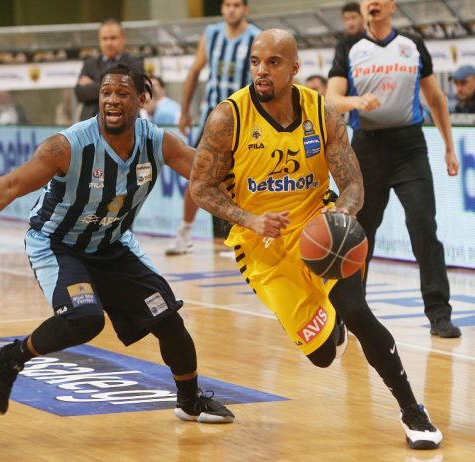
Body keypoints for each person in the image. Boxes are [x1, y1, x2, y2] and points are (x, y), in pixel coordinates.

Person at [189, 28, 443, 449]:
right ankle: (331, 327)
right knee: (323, 356)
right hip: (263, 247)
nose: (262, 70)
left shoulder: (321, 111)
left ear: (294, 67)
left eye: (273, 62)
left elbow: (353, 184)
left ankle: (412, 409)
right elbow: (200, 187)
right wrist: (249, 218)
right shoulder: (227, 117)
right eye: (255, 62)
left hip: (319, 230)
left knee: (358, 310)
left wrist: (341, 210)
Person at [0, 65, 234, 424]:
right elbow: (11, 184)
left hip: (112, 243)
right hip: (58, 243)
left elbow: (206, 174)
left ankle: (190, 401)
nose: (112, 100)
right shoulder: (68, 146)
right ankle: (10, 358)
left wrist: (256, 201)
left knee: (168, 319)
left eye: (122, 94)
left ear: (141, 100)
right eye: (106, 93)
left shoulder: (158, 142)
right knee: (85, 319)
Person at [326, 0, 461, 338]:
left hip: (409, 147)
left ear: (392, 5)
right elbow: (331, 99)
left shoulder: (411, 45)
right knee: (357, 234)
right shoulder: (349, 46)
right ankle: (347, 313)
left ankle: (439, 314)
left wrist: (448, 146)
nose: (371, 2)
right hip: (367, 149)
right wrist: (355, 102)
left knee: (423, 226)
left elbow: (435, 98)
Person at [166, 0, 261, 255]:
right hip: (212, 118)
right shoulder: (211, 34)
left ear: (245, 9)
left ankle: (242, 236)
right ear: (222, 8)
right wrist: (184, 111)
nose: (231, 9)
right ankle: (185, 232)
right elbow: (194, 71)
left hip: (244, 118)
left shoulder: (256, 37)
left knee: (242, 179)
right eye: (227, 4)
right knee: (198, 172)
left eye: (237, 5)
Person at [75, 19, 144, 121]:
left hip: (125, 122)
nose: (109, 43)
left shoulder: (134, 62)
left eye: (113, 38)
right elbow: (80, 93)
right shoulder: (89, 63)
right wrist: (118, 86)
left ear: (123, 39)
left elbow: (133, 89)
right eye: (104, 39)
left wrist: (93, 85)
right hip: (91, 122)